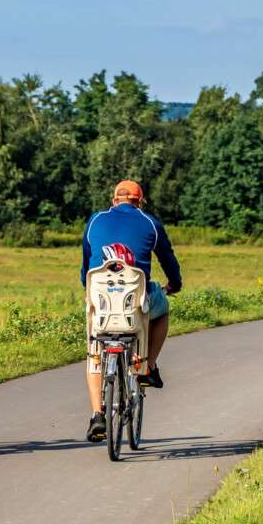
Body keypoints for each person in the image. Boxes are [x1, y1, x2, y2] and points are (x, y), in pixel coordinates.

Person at [80, 180, 182, 442]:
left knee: (94, 354)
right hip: (135, 303)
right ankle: (147, 365)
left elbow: (86, 263)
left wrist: (88, 286)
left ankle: (97, 415)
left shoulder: (95, 220)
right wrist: (175, 284)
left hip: (100, 303)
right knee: (163, 310)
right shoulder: (150, 223)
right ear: (140, 201)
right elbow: (167, 257)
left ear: (114, 200)